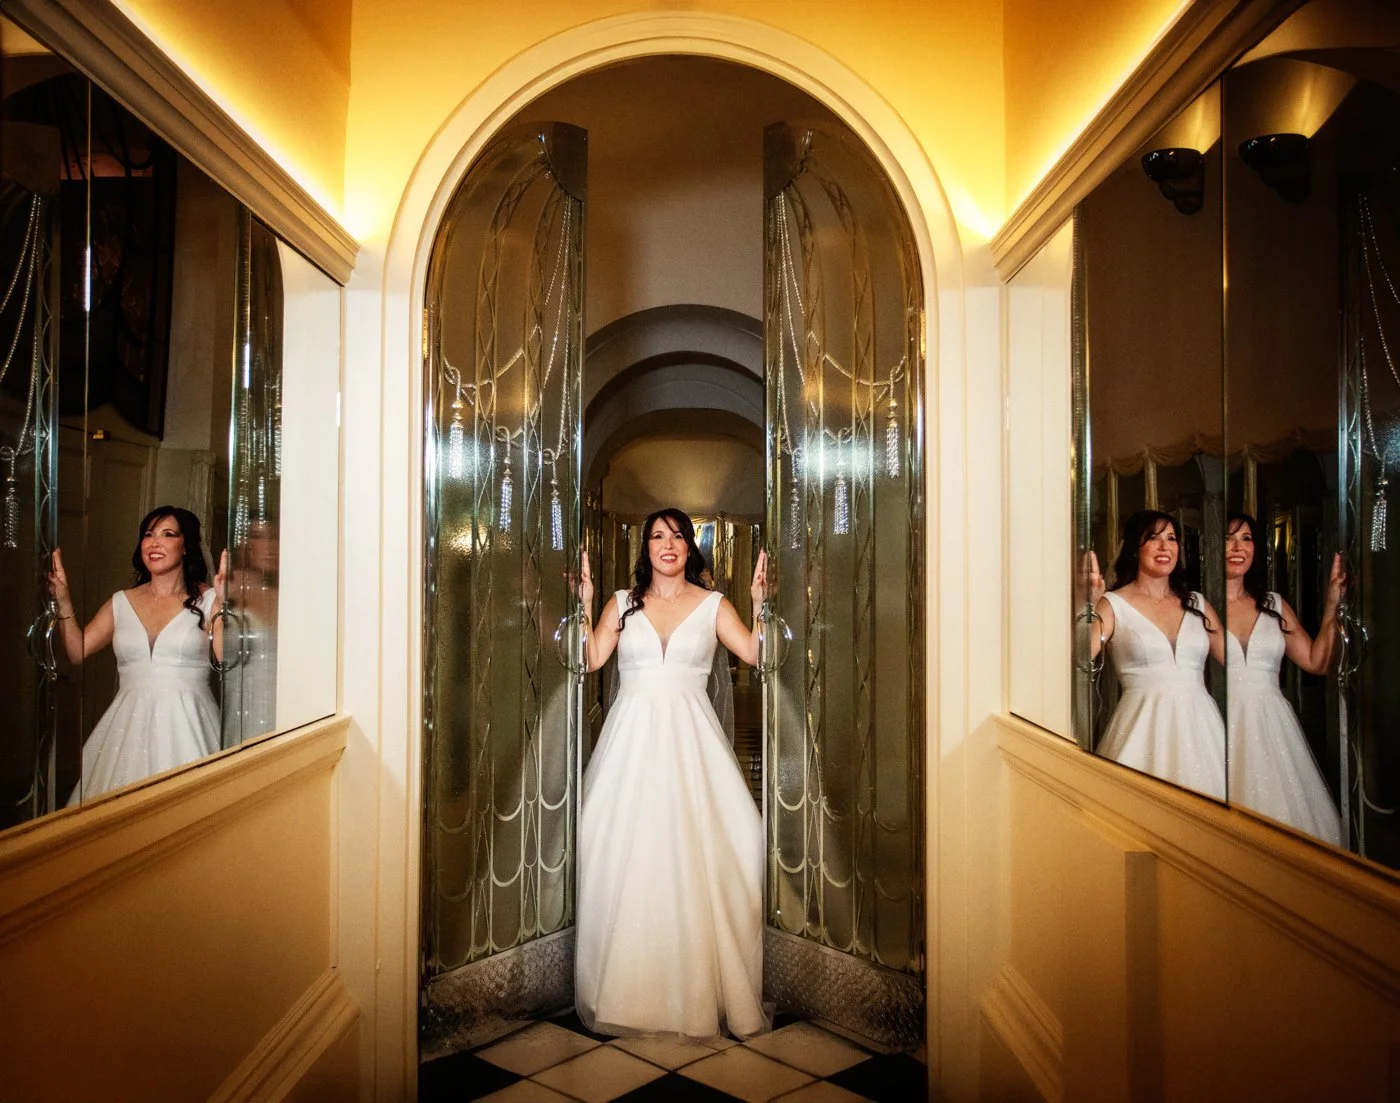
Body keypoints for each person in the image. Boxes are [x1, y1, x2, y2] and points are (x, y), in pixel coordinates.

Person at [574, 506, 771, 1039]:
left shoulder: (712, 605)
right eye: (658, 536)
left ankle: (700, 987)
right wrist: (586, 602)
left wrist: (759, 605)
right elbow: (591, 659)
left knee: (723, 844)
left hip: (692, 744)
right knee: (621, 849)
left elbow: (756, 653)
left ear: (690, 547)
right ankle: (625, 991)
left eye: (678, 536)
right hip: (629, 747)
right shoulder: (622, 603)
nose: (668, 544)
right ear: (647, 548)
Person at [48, 505, 225, 803]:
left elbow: (224, 657)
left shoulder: (208, 599)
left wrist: (221, 602)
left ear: (186, 547)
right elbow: (77, 652)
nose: (154, 543)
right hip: (126, 728)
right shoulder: (121, 602)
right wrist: (63, 601)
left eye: (167, 534)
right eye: (148, 535)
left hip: (187, 726)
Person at [1088, 509, 1227, 800]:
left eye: (1172, 538)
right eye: (1154, 539)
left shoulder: (1197, 603)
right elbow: (1082, 653)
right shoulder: (1113, 603)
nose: (1165, 547)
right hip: (1142, 728)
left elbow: (1235, 661)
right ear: (1135, 549)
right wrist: (1087, 605)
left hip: (1201, 730)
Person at [1223, 512, 1342, 844]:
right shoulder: (1199, 606)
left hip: (1273, 724)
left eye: (1246, 539)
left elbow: (1316, 662)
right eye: (1228, 539)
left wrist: (1332, 604)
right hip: (1220, 720)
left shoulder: (1273, 605)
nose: (1237, 547)